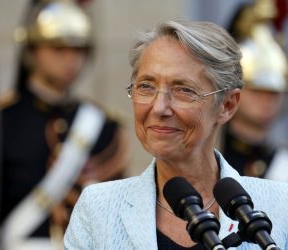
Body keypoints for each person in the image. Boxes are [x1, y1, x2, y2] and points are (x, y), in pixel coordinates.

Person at [64, 20, 288, 249]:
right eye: (146, 86)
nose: (159, 108)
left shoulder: (281, 206)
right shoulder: (98, 208)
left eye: (184, 90)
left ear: (227, 105)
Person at [0, 0, 128, 249]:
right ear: (32, 50)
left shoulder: (103, 125)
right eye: (58, 48)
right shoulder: (0, 122)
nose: (70, 60)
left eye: (78, 50)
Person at [219, 0, 288, 180]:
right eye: (257, 90)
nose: (267, 101)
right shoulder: (209, 157)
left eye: (274, 92)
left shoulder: (283, 163)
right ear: (232, 93)